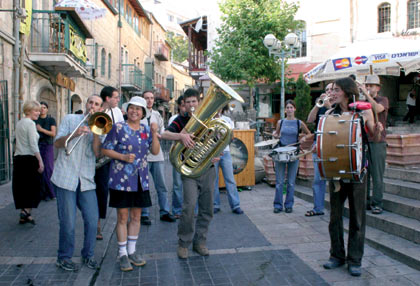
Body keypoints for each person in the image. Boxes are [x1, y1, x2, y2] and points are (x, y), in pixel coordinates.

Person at [323, 77, 383, 277]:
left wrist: (377, 130)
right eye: (332, 90)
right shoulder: (331, 113)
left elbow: (374, 136)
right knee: (335, 217)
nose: (333, 93)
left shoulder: (363, 111)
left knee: (357, 218)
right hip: (336, 172)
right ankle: (336, 256)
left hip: (358, 171)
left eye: (337, 89)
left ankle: (355, 260)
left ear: (347, 92)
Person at [102, 96, 160, 271]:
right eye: (132, 108)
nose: (135, 111)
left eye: (139, 109)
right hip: (121, 180)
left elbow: (155, 151)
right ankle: (122, 254)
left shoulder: (145, 129)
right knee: (122, 217)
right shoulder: (118, 128)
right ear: (127, 110)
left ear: (143, 113)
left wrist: (155, 133)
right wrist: (123, 157)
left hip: (140, 180)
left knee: (136, 217)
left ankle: (132, 251)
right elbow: (105, 149)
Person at [161, 88, 219, 259]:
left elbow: (216, 139)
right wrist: (181, 136)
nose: (192, 105)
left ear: (199, 102)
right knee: (189, 207)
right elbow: (164, 134)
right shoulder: (180, 120)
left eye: (194, 101)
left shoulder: (208, 119)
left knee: (207, 208)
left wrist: (216, 153)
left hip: (207, 169)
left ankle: (200, 242)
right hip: (190, 171)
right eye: (188, 102)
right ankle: (183, 243)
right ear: (184, 105)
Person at [51, 95, 103, 271]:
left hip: (86, 180)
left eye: (96, 104)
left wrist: (96, 134)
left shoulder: (101, 125)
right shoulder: (70, 119)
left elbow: (97, 153)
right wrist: (74, 134)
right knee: (68, 222)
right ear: (86, 104)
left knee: (92, 219)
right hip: (65, 177)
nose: (92, 106)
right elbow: (57, 143)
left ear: (100, 109)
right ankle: (64, 257)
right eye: (90, 102)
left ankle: (88, 256)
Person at [140, 91, 175, 225]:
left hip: (157, 154)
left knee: (162, 185)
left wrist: (158, 134)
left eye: (151, 98)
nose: (149, 100)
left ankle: (165, 211)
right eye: (146, 98)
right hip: (142, 156)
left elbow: (162, 131)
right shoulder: (138, 114)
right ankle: (144, 213)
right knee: (144, 186)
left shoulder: (157, 115)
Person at [95, 86, 125, 240]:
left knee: (102, 190)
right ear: (107, 98)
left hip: (107, 158)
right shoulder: (97, 111)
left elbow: (120, 130)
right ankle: (94, 222)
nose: (118, 100)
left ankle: (98, 224)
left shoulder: (117, 112)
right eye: (115, 97)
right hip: (92, 156)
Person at [272, 100, 311, 214]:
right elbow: (277, 133)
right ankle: (278, 205)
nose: (289, 109)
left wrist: (304, 138)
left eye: (291, 107)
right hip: (281, 151)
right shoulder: (281, 122)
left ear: (294, 109)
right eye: (287, 107)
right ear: (285, 110)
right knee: (279, 181)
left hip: (294, 153)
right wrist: (275, 134)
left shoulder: (299, 123)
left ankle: (289, 205)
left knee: (291, 182)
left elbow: (309, 133)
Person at [358, 75, 389, 215]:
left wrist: (365, 94)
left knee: (377, 174)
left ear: (378, 87)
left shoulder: (383, 100)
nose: (368, 87)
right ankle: (365, 201)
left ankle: (377, 203)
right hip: (365, 140)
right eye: (367, 85)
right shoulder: (362, 101)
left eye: (371, 85)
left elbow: (377, 109)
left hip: (378, 141)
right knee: (365, 173)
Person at [12, 100, 44, 225]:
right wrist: (40, 161)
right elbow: (33, 144)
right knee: (34, 187)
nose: (38, 113)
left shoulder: (20, 123)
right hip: (30, 159)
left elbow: (15, 140)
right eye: (36, 111)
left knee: (22, 187)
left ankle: (25, 214)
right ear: (29, 111)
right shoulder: (30, 124)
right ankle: (26, 211)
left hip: (19, 158)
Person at [305, 83, 334, 216]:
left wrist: (329, 106)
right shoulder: (321, 106)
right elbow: (310, 119)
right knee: (318, 178)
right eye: (326, 90)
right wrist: (318, 105)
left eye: (331, 90)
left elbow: (338, 120)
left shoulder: (337, 107)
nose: (328, 92)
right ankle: (318, 208)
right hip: (319, 144)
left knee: (335, 178)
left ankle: (336, 209)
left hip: (333, 144)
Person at [213, 105, 244, 215]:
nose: (218, 109)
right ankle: (215, 205)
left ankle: (235, 205)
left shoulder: (227, 120)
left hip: (225, 152)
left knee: (230, 179)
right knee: (213, 180)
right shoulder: (208, 120)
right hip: (212, 153)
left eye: (220, 106)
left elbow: (231, 137)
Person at [169, 95, 187, 219]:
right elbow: (168, 134)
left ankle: (192, 209)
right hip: (178, 155)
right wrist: (182, 135)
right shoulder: (174, 119)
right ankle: (177, 210)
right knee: (177, 185)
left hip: (192, 157)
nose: (186, 107)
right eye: (183, 104)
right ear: (179, 106)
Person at [35, 101, 56, 201]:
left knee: (48, 169)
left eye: (44, 107)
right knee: (39, 169)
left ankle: (50, 193)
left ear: (47, 109)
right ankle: (41, 193)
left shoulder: (51, 120)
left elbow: (53, 133)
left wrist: (41, 130)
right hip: (37, 146)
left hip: (48, 146)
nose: (42, 109)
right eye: (41, 107)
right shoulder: (36, 120)